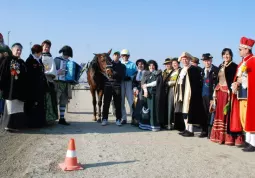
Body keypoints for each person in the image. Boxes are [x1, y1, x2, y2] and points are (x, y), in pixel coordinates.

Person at [209, 48, 242, 145]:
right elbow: (217, 80)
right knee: (219, 113)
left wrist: (231, 91)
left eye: (228, 54)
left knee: (226, 113)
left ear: (231, 55)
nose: (226, 56)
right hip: (219, 92)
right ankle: (218, 137)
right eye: (224, 54)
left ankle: (228, 138)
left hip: (227, 93)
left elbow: (234, 80)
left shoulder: (234, 66)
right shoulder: (221, 65)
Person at [230, 36, 255, 152]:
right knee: (244, 118)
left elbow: (252, 79)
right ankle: (248, 140)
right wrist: (235, 83)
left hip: (249, 95)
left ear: (247, 49)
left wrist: (242, 81)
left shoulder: (253, 61)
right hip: (241, 94)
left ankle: (253, 143)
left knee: (250, 117)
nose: (239, 50)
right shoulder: (242, 63)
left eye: (241, 49)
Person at [174, 52, 206, 137]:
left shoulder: (193, 69)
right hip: (182, 93)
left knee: (189, 112)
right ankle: (186, 128)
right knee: (183, 112)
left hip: (189, 94)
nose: (184, 61)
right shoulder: (182, 70)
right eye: (183, 59)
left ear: (189, 60)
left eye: (186, 59)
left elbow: (195, 84)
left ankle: (190, 130)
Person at [0, 43, 28, 132]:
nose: (19, 52)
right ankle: (8, 125)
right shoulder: (7, 60)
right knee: (10, 106)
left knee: (18, 107)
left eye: (20, 50)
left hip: (20, 90)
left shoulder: (22, 62)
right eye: (17, 50)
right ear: (12, 50)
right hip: (10, 89)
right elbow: (2, 73)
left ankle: (17, 125)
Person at [101, 51, 126, 126]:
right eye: (115, 55)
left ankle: (118, 119)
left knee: (117, 103)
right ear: (113, 56)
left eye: (117, 55)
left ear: (120, 57)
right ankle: (104, 119)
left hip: (117, 85)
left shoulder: (122, 66)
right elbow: (104, 74)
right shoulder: (108, 64)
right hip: (108, 85)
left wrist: (113, 73)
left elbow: (122, 76)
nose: (116, 56)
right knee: (106, 102)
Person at [139, 60, 165, 131]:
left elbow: (156, 83)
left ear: (155, 66)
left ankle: (154, 125)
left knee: (153, 110)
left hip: (154, 95)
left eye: (153, 65)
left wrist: (146, 85)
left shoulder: (158, 73)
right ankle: (146, 125)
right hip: (147, 95)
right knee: (146, 110)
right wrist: (145, 90)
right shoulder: (147, 74)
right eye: (150, 65)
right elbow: (143, 84)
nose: (151, 67)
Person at [25, 44, 47, 128]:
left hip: (40, 86)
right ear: (36, 52)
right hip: (32, 87)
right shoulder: (30, 60)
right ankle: (31, 123)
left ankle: (40, 122)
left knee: (40, 104)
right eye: (40, 52)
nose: (41, 54)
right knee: (32, 105)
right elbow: (30, 75)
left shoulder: (39, 60)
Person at [199, 53, 219, 138]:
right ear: (203, 61)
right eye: (205, 61)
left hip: (211, 95)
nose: (207, 62)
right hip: (203, 95)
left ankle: (211, 132)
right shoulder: (202, 71)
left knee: (211, 113)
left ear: (211, 60)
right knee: (203, 113)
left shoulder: (216, 70)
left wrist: (214, 96)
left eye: (209, 60)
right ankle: (204, 131)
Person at [54, 45, 73, 125]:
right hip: (57, 83)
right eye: (66, 55)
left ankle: (62, 118)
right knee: (55, 101)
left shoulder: (70, 62)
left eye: (68, 55)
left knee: (63, 101)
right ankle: (53, 118)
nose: (67, 56)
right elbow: (52, 71)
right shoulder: (56, 60)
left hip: (66, 84)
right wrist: (57, 72)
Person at [41, 40, 58, 125]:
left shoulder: (50, 57)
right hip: (41, 80)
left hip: (49, 80)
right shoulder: (39, 56)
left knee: (50, 100)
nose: (47, 48)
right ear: (42, 46)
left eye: (48, 47)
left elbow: (53, 69)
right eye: (45, 46)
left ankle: (50, 118)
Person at [163, 58, 181, 130]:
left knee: (177, 107)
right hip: (170, 89)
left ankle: (177, 124)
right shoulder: (172, 72)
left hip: (177, 89)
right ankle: (169, 123)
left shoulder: (180, 70)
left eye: (175, 63)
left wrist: (173, 83)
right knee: (170, 106)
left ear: (178, 64)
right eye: (173, 64)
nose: (174, 65)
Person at [120, 49, 137, 124]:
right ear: (121, 56)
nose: (125, 57)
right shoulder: (119, 64)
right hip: (121, 83)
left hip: (129, 83)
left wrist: (130, 77)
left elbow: (135, 74)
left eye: (126, 55)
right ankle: (124, 118)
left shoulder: (132, 64)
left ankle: (133, 117)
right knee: (121, 101)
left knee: (131, 101)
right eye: (123, 55)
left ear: (128, 56)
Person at [131, 58, 147, 126]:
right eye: (139, 64)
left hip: (145, 91)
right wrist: (135, 89)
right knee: (135, 105)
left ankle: (143, 120)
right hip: (137, 91)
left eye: (142, 64)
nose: (140, 65)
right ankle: (135, 120)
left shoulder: (147, 73)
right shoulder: (135, 73)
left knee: (143, 105)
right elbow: (133, 83)